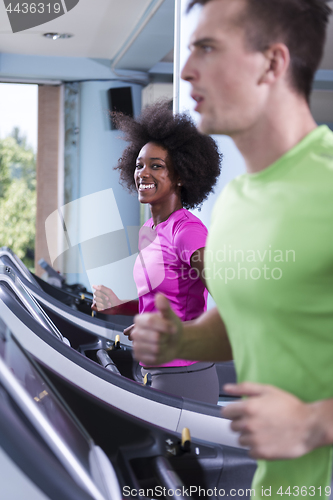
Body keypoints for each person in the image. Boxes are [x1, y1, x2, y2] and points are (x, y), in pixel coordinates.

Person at [130, 0, 333, 497]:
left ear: (272, 63)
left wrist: (314, 422)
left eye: (208, 48)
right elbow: (255, 319)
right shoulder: (241, 200)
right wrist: (182, 342)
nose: (185, 69)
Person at [92, 101, 222, 403]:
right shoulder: (149, 231)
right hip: (155, 370)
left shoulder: (187, 231)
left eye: (157, 165)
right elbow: (160, 301)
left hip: (186, 373)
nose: (143, 173)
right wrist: (119, 305)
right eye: (139, 165)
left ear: (180, 176)